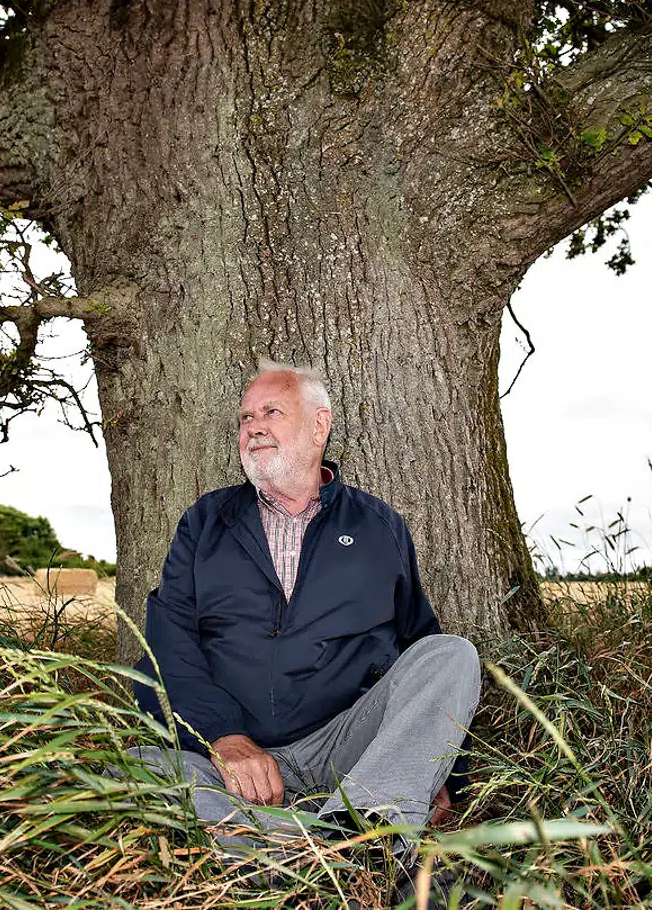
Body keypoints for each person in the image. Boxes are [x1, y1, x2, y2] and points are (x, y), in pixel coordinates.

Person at [130, 360, 480, 856]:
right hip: (224, 758)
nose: (254, 427)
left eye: (271, 411)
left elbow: (417, 643)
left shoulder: (378, 526)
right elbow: (167, 642)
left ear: (320, 425)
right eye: (245, 418)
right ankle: (339, 842)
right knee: (138, 771)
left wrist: (433, 765)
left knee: (451, 654)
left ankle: (353, 819)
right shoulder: (206, 522)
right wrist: (223, 737)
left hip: (343, 747)